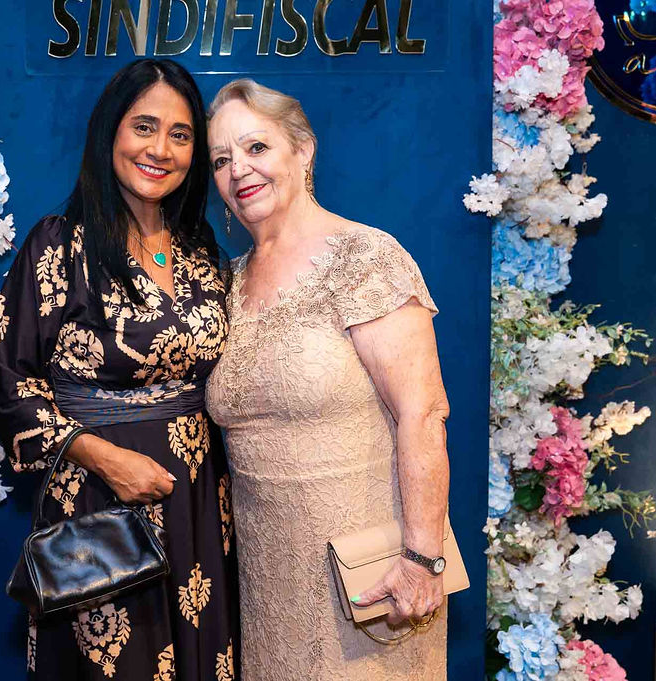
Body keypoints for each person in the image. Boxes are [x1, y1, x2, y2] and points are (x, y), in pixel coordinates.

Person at [0, 59, 239, 681]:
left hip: (201, 503)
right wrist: (104, 459)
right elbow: (6, 381)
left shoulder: (202, 247)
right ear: (109, 133)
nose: (161, 149)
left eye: (180, 135)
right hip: (99, 502)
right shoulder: (59, 243)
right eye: (144, 127)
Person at [205, 79, 450, 680]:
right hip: (266, 585)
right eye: (221, 159)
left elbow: (423, 413)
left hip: (373, 582)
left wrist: (422, 559)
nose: (239, 170)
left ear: (303, 150)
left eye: (256, 147)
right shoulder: (223, 283)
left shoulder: (366, 257)